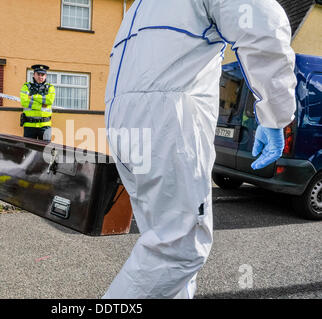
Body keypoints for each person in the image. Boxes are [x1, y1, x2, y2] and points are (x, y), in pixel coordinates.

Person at [104, 0, 296, 298]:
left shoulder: (139, 7)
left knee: (162, 240)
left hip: (123, 119)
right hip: (169, 118)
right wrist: (275, 115)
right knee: (178, 252)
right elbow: (262, 27)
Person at [20, 64, 56, 141]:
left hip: (45, 125)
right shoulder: (26, 86)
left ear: (45, 76)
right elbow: (24, 102)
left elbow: (49, 100)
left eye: (42, 74)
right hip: (29, 125)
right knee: (28, 150)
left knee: (45, 150)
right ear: (34, 75)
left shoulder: (50, 87)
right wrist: (40, 106)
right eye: (38, 74)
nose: (40, 76)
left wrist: (33, 97)